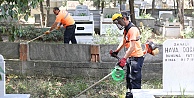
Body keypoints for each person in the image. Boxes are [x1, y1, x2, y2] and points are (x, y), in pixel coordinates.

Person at [109, 12, 145, 97]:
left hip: (136, 58)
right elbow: (124, 41)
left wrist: (124, 59)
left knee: (134, 80)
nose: (118, 25)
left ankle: (136, 95)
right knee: (129, 79)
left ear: (124, 19)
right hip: (130, 57)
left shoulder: (132, 30)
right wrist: (117, 51)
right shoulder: (126, 29)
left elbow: (132, 47)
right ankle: (129, 94)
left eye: (118, 22)